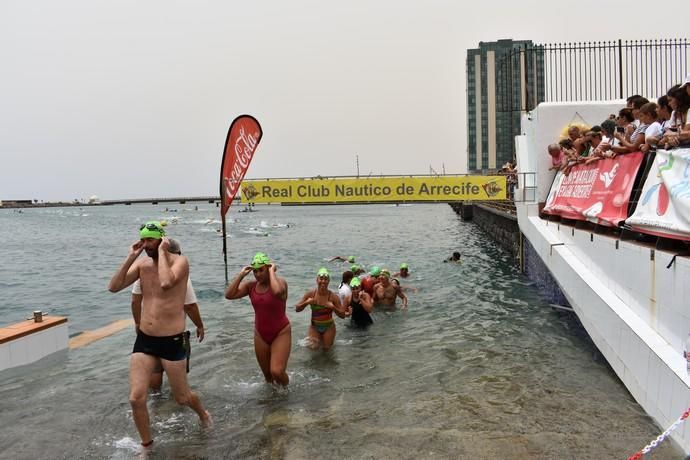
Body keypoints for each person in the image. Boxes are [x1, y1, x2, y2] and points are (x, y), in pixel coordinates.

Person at [108, 221, 210, 449]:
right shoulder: (142, 265)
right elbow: (114, 287)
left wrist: (163, 251)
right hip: (145, 340)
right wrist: (131, 257)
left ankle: (203, 413)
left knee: (182, 398)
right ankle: (147, 445)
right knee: (136, 398)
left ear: (162, 240)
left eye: (150, 240)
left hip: (172, 341)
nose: (146, 245)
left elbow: (166, 282)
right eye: (143, 240)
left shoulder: (180, 262)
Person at [131, 238, 204, 391]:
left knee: (155, 372)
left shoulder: (144, 270)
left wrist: (138, 323)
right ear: (176, 254)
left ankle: (157, 405)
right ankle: (175, 408)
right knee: (179, 381)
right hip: (173, 334)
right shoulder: (180, 276)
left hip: (149, 333)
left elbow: (135, 301)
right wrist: (200, 325)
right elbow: (190, 306)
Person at [224, 252, 291, 387]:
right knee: (268, 376)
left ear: (267, 268)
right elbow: (229, 295)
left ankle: (286, 393)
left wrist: (272, 271)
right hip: (260, 335)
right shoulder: (251, 287)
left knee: (277, 371)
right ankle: (272, 402)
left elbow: (277, 292)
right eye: (255, 271)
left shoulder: (280, 283)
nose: (258, 274)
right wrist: (241, 275)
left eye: (261, 270)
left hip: (281, 332)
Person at [295, 268, 345, 351]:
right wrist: (306, 302)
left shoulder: (333, 297)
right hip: (314, 327)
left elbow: (342, 315)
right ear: (317, 280)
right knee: (313, 349)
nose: (323, 281)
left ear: (329, 281)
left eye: (326, 279)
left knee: (326, 350)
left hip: (329, 327)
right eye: (321, 279)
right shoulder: (311, 294)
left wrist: (333, 308)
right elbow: (297, 309)